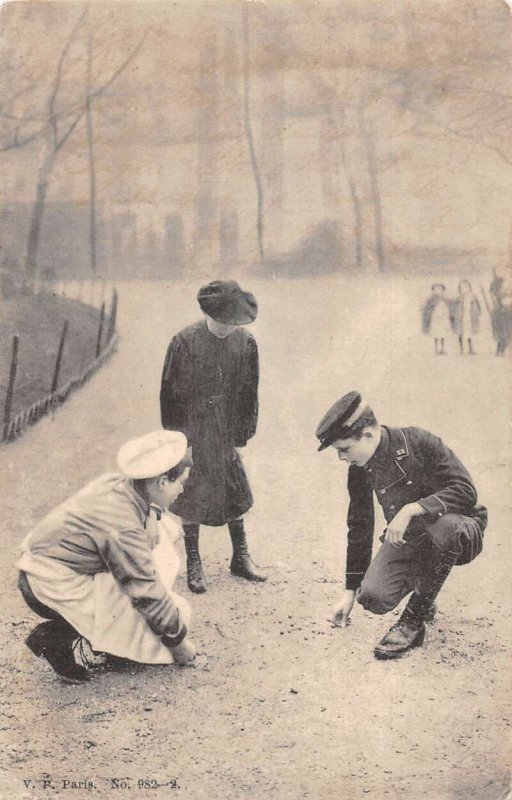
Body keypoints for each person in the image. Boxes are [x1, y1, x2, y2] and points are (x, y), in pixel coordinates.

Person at [315, 392, 487, 659]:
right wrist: (350, 592)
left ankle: (412, 621)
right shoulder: (359, 469)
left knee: (447, 528)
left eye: (344, 449)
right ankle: (426, 591)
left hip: (461, 528)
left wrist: (412, 509)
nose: (342, 458)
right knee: (372, 597)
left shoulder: (419, 442)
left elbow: (465, 491)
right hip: (413, 538)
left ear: (368, 436)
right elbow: (359, 526)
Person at [17, 430, 197, 684]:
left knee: (160, 542)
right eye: (181, 483)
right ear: (162, 482)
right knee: (140, 607)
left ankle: (111, 638)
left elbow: (138, 504)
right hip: (47, 582)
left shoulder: (118, 483)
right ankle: (55, 637)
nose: (182, 490)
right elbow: (146, 591)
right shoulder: (123, 525)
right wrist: (180, 646)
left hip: (51, 565)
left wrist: (151, 514)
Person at [160, 279, 267, 593]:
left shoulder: (246, 343)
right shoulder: (184, 342)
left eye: (233, 323)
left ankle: (241, 555)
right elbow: (171, 397)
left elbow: (250, 394)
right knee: (191, 491)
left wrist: (240, 439)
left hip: (227, 426)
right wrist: (183, 443)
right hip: (194, 426)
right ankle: (194, 560)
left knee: (234, 488)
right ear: (208, 314)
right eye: (222, 322)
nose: (227, 328)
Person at [452, 279, 481, 355]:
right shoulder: (458, 297)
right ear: (460, 289)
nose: (465, 288)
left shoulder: (473, 296)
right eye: (462, 287)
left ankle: (471, 349)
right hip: (461, 317)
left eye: (466, 286)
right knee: (460, 333)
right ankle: (461, 350)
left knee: (469, 333)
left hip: (469, 317)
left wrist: (477, 313)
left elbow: (478, 306)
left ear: (470, 287)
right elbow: (454, 306)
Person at [421, 283, 452, 355]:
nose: (438, 291)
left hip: (443, 319)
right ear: (433, 291)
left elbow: (448, 308)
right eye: (436, 289)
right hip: (435, 319)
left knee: (443, 335)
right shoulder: (431, 300)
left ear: (443, 290)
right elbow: (427, 308)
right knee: (436, 334)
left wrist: (446, 316)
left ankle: (442, 349)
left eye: (440, 289)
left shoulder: (445, 299)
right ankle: (436, 349)